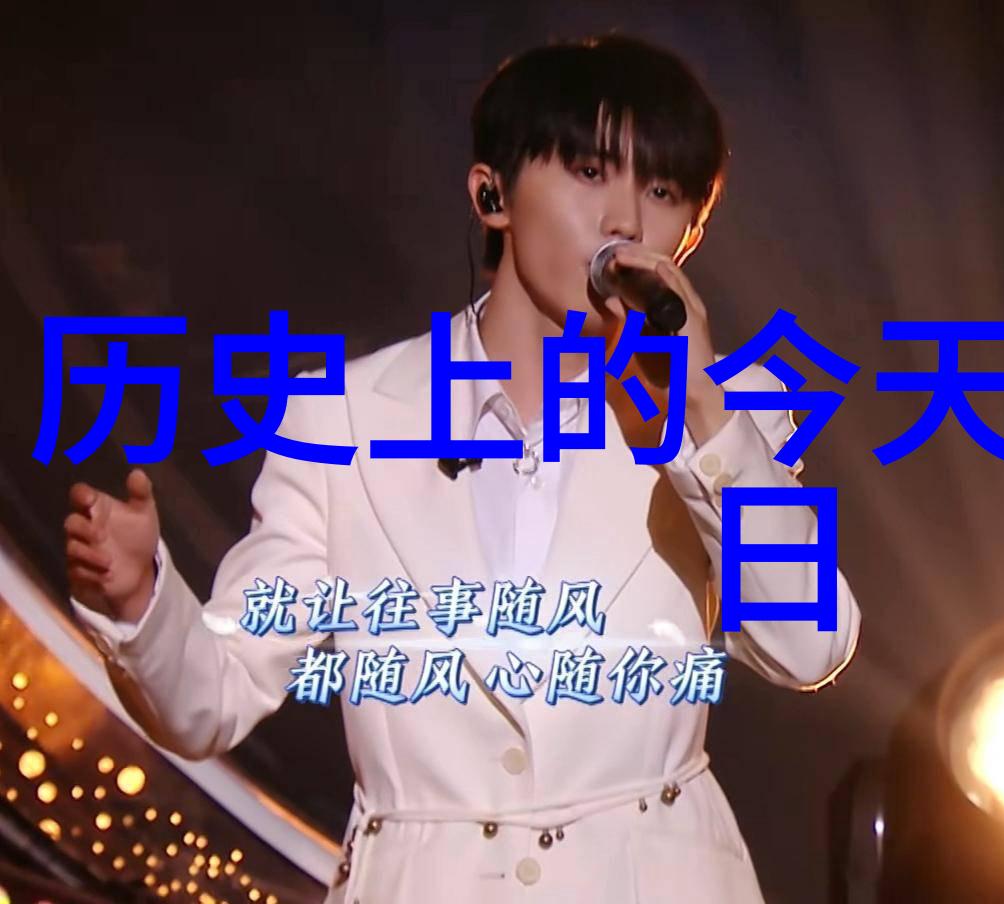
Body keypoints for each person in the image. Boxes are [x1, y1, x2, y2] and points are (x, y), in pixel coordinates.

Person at [62, 33, 861, 903]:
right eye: (589, 172)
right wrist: (140, 601)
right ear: (492, 194)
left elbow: (807, 646)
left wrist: (700, 415)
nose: (625, 222)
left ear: (691, 232)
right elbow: (215, 695)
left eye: (662, 192)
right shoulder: (345, 416)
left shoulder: (730, 413)